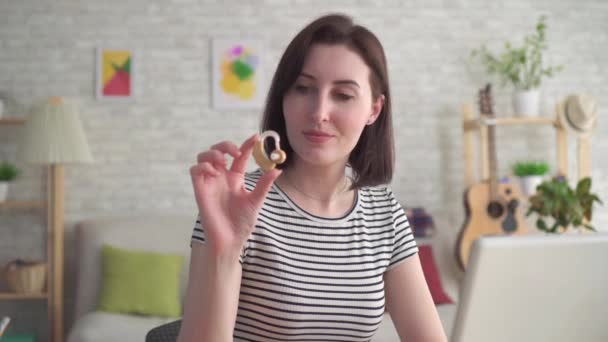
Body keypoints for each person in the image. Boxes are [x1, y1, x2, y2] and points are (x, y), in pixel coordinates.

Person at [178, 13, 447, 342]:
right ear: (284, 99)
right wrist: (225, 252)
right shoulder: (233, 203)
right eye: (303, 88)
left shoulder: (384, 215)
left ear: (373, 110)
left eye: (343, 95)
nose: (319, 112)